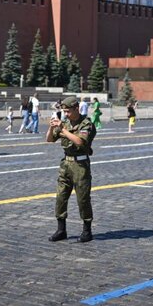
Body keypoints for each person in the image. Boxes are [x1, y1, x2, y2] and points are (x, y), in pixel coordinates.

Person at [47, 96, 97, 243]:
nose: (66, 114)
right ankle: (61, 229)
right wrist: (51, 127)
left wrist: (63, 130)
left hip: (80, 165)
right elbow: (49, 139)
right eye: (64, 111)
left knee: (83, 199)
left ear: (77, 109)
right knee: (61, 197)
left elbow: (80, 142)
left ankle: (87, 230)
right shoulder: (65, 122)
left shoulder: (86, 123)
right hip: (66, 164)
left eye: (68, 111)